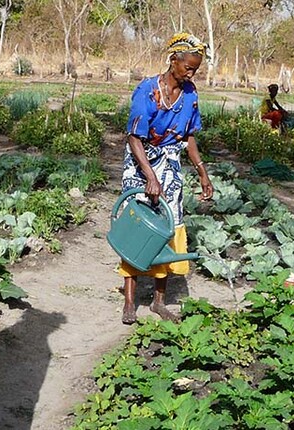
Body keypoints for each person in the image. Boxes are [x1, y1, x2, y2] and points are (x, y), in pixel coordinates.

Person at [120, 32, 214, 325]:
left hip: (170, 165)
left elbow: (189, 136)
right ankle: (129, 302)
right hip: (141, 163)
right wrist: (150, 177)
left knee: (168, 227)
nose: (191, 72)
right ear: (174, 60)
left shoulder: (190, 94)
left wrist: (202, 172)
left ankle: (159, 301)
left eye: (195, 69)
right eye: (188, 66)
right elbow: (135, 137)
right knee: (137, 228)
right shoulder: (147, 91)